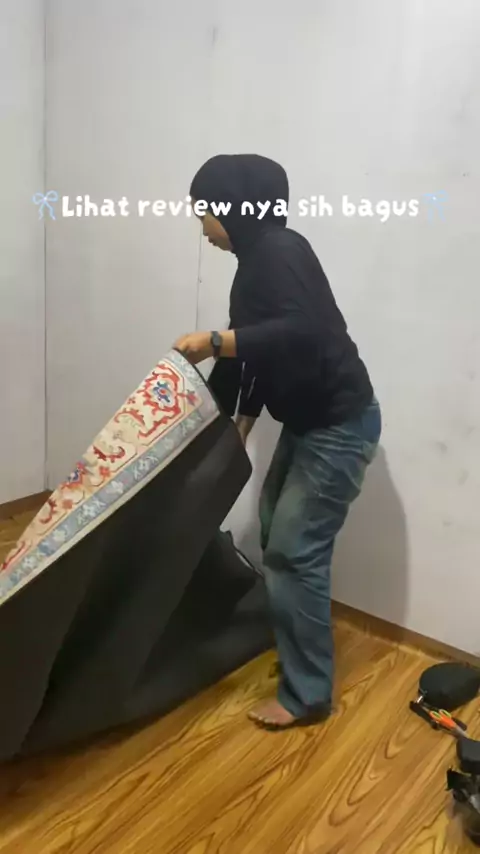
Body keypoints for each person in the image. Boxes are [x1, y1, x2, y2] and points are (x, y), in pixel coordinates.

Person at [173, 154, 381, 730]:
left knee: (293, 550)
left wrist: (216, 341)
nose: (202, 226)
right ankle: (295, 651)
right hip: (310, 424)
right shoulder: (253, 265)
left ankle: (306, 695)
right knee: (275, 532)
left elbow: (302, 333)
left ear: (233, 207)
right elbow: (260, 355)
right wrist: (239, 424)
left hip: (338, 426)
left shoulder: (282, 252)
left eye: (205, 212)